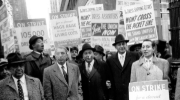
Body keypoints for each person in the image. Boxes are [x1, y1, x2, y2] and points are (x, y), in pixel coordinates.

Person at [106, 34, 139, 100]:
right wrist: (111, 97)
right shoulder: (110, 60)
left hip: (132, 93)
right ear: (115, 47)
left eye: (123, 44)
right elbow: (110, 78)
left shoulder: (134, 56)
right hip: (117, 95)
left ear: (126, 45)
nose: (121, 46)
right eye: (119, 45)